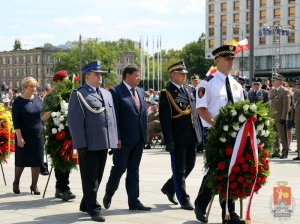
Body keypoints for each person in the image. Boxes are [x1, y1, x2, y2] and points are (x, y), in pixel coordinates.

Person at [194, 45, 245, 224]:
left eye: (232, 59)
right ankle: (202, 203)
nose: (231, 61)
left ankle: (228, 213)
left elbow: (242, 109)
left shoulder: (236, 84)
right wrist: (219, 125)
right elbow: (200, 109)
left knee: (231, 172)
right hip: (215, 133)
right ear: (217, 61)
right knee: (219, 170)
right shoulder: (207, 83)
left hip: (235, 134)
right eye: (227, 59)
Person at [68, 60, 118, 222]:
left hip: (104, 142)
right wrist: (80, 144)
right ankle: (94, 208)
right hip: (89, 144)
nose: (100, 77)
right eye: (97, 74)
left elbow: (111, 119)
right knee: (90, 178)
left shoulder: (107, 93)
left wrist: (114, 140)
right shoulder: (79, 94)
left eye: (101, 75)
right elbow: (75, 121)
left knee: (98, 176)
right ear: (87, 76)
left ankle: (86, 202)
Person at [103, 65, 151, 211]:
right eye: (137, 75)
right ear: (127, 76)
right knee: (119, 168)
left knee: (134, 171)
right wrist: (115, 137)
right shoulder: (116, 92)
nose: (139, 78)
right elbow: (113, 117)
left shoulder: (141, 91)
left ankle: (134, 201)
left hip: (138, 139)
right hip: (122, 140)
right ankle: (109, 193)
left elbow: (141, 114)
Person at [159, 61, 201, 210]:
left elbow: (195, 114)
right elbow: (165, 119)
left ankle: (169, 187)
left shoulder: (189, 89)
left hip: (191, 136)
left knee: (190, 165)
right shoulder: (167, 93)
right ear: (172, 75)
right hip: (178, 138)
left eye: (185, 73)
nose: (184, 76)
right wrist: (168, 140)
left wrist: (199, 135)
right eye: (181, 73)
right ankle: (184, 199)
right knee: (179, 170)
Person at [40, 70, 76, 201]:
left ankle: (59, 188)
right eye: (65, 81)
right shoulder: (50, 97)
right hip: (55, 131)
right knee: (60, 160)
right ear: (57, 82)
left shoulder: (72, 94)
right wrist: (57, 113)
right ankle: (65, 189)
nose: (67, 83)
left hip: (70, 132)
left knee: (69, 160)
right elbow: (43, 117)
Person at [12, 76, 44, 195]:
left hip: (38, 134)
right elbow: (16, 122)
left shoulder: (38, 99)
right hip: (24, 134)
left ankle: (34, 185)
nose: (34, 88)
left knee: (37, 160)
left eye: (35, 86)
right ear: (25, 87)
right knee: (21, 160)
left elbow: (41, 116)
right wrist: (19, 137)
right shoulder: (18, 102)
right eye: (31, 86)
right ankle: (16, 182)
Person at [269, 73, 290, 159]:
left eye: (275, 80)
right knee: (274, 136)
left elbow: (286, 105)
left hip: (280, 117)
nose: (273, 82)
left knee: (283, 136)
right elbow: (270, 104)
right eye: (273, 80)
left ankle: (285, 152)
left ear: (280, 82)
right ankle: (276, 151)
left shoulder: (285, 91)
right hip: (272, 117)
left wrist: (284, 117)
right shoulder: (273, 90)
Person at [293, 79, 300, 160]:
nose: (297, 86)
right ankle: (299, 153)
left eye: (299, 84)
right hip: (297, 116)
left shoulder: (297, 92)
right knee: (298, 136)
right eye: (297, 84)